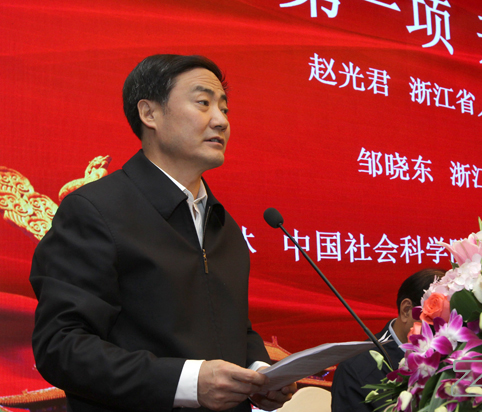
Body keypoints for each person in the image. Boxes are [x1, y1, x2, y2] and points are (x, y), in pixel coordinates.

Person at [30, 54, 296, 412]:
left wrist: (260, 373)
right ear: (149, 113)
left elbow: (233, 329)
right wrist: (187, 383)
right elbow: (61, 346)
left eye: (224, 108)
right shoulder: (95, 210)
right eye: (203, 103)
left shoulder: (223, 225)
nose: (221, 120)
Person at [330, 268, 446, 412]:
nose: (443, 334)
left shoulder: (454, 361)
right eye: (435, 322)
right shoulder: (355, 369)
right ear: (406, 310)